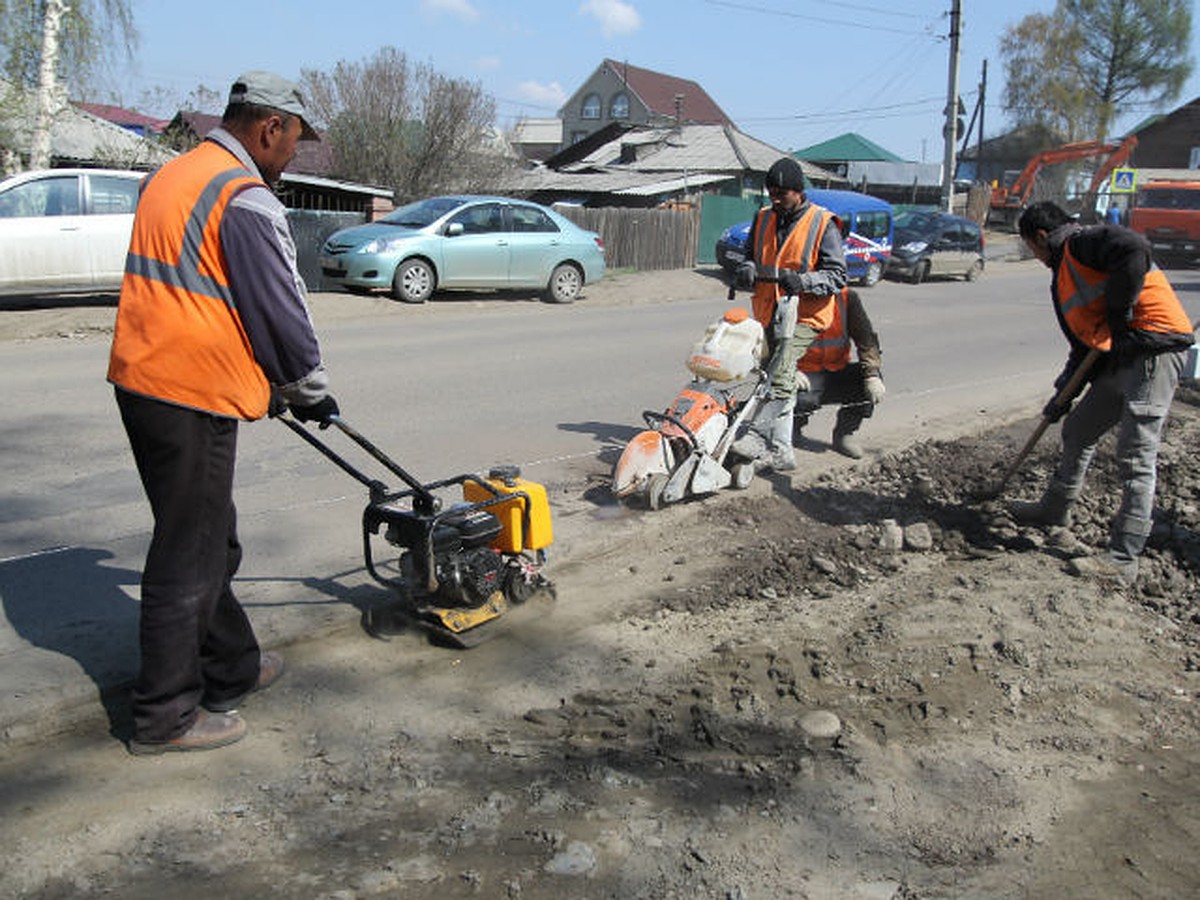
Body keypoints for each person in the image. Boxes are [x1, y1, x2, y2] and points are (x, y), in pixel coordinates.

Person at [108, 71, 339, 754]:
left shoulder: (177, 175)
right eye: (293, 142)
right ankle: (165, 715)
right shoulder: (244, 199)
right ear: (270, 128)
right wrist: (308, 388)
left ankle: (232, 664)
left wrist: (278, 386)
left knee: (212, 538)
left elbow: (200, 288)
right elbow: (278, 310)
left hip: (144, 377)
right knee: (192, 551)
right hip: (190, 391)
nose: (291, 156)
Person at [1009, 200, 1194, 584]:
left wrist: (1119, 316)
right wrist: (1061, 397)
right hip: (1121, 354)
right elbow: (1084, 347)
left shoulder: (1082, 243)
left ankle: (1123, 559)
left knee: (1135, 454)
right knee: (1078, 428)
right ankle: (1054, 510)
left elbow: (1134, 248)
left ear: (1041, 237)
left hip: (1153, 348)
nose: (1032, 254)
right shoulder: (1064, 271)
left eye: (1030, 246)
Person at [730, 157, 848, 471]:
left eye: (782, 193)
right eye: (771, 193)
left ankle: (756, 435)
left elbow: (838, 276)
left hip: (806, 314)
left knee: (780, 374)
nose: (776, 199)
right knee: (772, 377)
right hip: (769, 310)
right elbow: (751, 256)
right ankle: (782, 451)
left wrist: (805, 280)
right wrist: (747, 269)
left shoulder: (823, 223)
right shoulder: (764, 217)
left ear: (798, 191)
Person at [792, 286, 885, 459]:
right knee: (799, 396)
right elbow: (771, 341)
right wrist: (789, 371)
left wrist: (872, 375)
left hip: (837, 369)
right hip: (804, 373)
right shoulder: (790, 296)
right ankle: (792, 431)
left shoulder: (846, 298)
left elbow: (866, 338)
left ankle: (845, 434)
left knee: (864, 381)